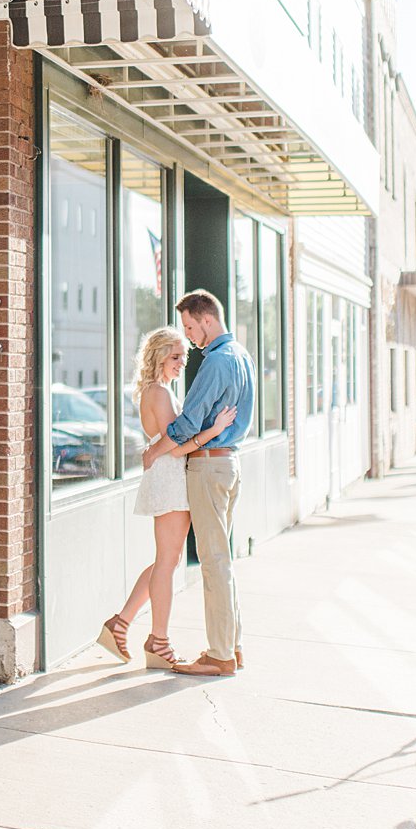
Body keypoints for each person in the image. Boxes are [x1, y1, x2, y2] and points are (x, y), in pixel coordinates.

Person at [98, 328, 236, 672]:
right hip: (170, 477)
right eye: (176, 356)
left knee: (167, 561)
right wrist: (214, 431)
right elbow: (177, 443)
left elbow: (170, 442)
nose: (181, 362)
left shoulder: (159, 391)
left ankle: (121, 624)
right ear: (159, 356)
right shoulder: (158, 393)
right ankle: (158, 641)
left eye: (184, 357)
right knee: (167, 562)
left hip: (170, 475)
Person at [139, 289, 255, 678]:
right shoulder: (242, 356)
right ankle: (232, 647)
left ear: (207, 320)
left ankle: (219, 654)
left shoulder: (216, 361)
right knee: (223, 559)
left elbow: (188, 422)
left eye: (190, 327)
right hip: (230, 463)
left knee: (213, 563)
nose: (189, 336)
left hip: (208, 467)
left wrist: (158, 450)